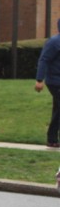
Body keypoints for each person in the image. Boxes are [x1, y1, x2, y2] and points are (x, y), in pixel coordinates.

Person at [35, 19, 60, 148]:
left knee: (57, 109)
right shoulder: (54, 42)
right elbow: (44, 60)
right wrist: (39, 80)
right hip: (55, 81)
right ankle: (52, 138)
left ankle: (52, 139)